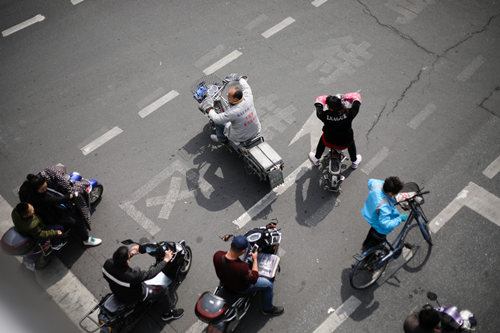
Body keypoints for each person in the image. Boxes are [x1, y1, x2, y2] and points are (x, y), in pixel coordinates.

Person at [102, 245, 184, 322]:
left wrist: (131, 254)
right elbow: (151, 274)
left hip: (117, 292)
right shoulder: (133, 276)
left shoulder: (106, 265)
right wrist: (165, 260)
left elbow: (118, 263)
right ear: (127, 260)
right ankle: (168, 314)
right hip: (136, 296)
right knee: (163, 290)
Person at [19, 172, 101, 246]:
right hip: (48, 216)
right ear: (35, 190)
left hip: (34, 212)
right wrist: (69, 196)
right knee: (75, 219)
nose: (45, 190)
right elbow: (57, 200)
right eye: (42, 189)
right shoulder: (42, 198)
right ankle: (86, 239)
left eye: (45, 187)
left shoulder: (24, 188)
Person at [213, 235, 284, 316]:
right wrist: (255, 259)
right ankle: (267, 309)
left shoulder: (217, 255)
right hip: (240, 288)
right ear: (243, 251)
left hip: (225, 281)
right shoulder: (241, 267)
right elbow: (254, 277)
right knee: (268, 285)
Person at [200, 73, 261, 145]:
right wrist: (240, 78)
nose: (227, 96)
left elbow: (217, 119)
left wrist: (209, 109)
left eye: (229, 96)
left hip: (240, 137)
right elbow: (246, 86)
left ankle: (222, 139)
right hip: (257, 129)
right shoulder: (248, 96)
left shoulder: (232, 112)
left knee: (218, 123)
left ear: (235, 99)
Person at [309, 93, 362, 169]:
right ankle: (354, 161)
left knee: (323, 137)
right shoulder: (349, 113)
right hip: (346, 143)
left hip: (328, 141)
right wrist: (348, 98)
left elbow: (318, 107)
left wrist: (321, 101)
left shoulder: (325, 115)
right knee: (351, 141)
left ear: (329, 107)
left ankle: (316, 158)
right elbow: (357, 102)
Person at [361, 176, 407, 251]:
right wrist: (399, 219)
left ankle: (365, 248)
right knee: (374, 243)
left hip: (371, 215)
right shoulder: (384, 206)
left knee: (369, 239)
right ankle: (368, 257)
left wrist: (386, 185)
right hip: (379, 229)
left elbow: (370, 182)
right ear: (390, 193)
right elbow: (385, 224)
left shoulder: (376, 184)